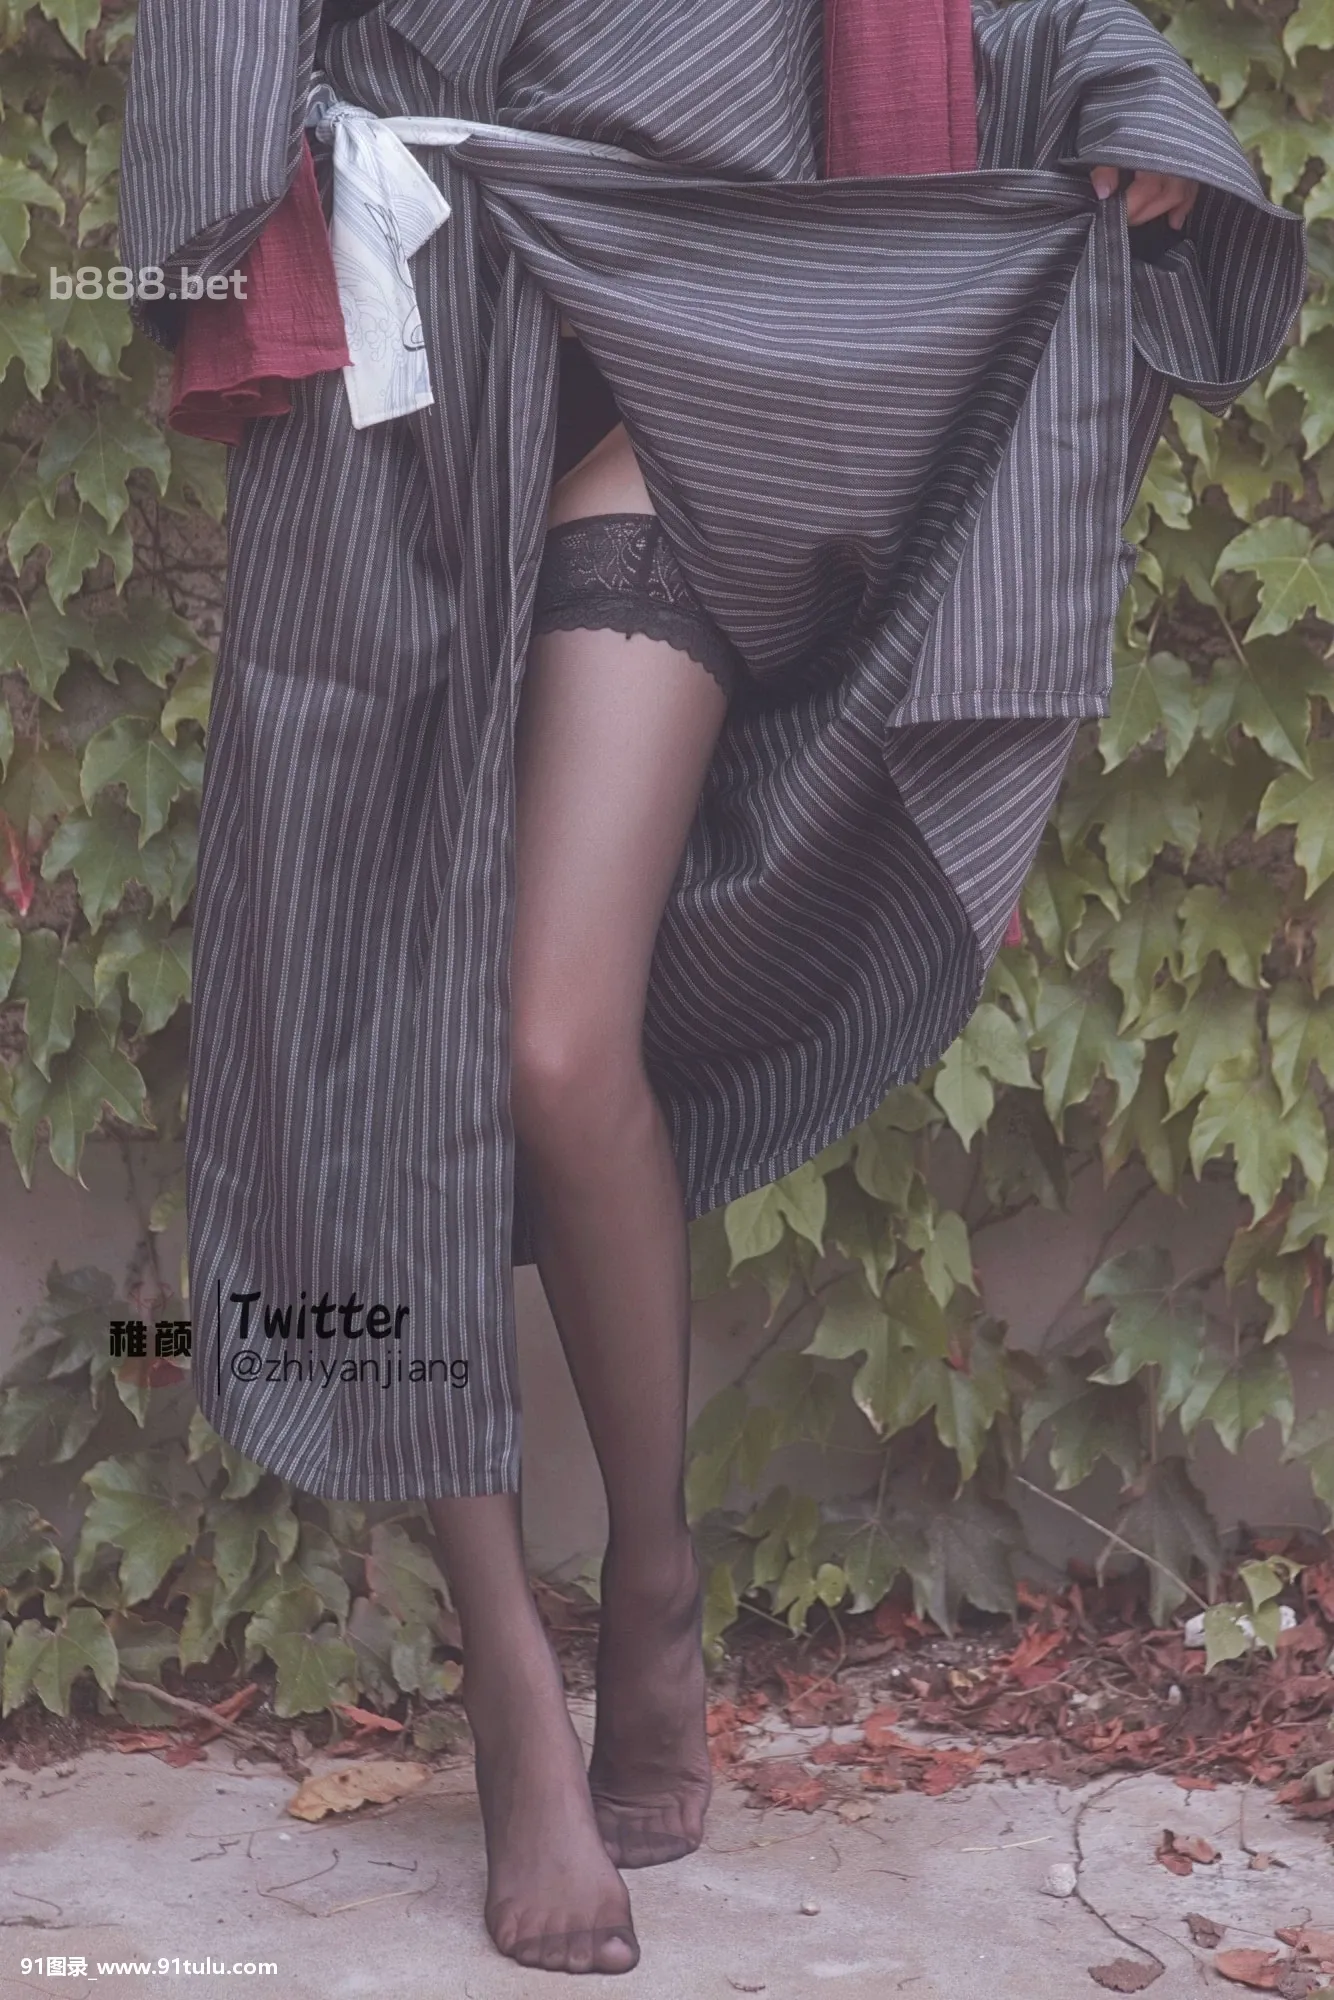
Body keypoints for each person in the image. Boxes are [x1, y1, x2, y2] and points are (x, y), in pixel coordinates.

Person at [117, 0, 1304, 1974]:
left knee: (552, 1039)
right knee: (370, 1028)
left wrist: (1118, 99)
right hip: (401, 370)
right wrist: (225, 233)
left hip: (689, 368)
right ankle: (511, 1679)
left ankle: (654, 1577)